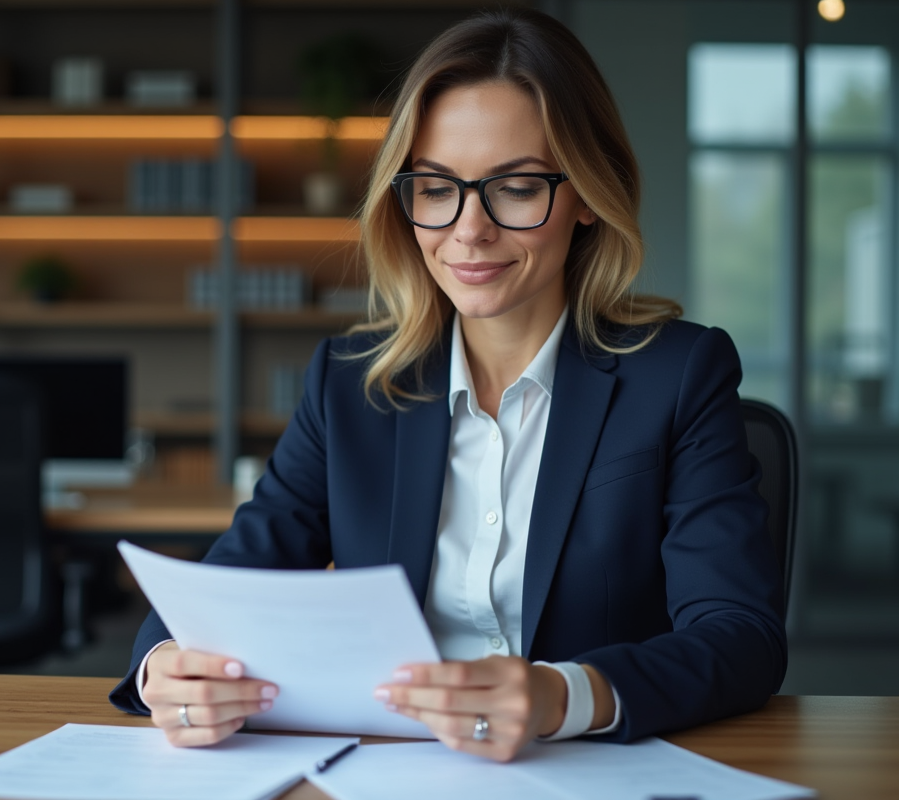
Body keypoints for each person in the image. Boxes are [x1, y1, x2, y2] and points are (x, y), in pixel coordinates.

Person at [109, 6, 786, 762]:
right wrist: (163, 665)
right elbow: (232, 581)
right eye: (436, 188)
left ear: (589, 196)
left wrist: (564, 694)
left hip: (588, 772)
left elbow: (739, 636)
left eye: (517, 187)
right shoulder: (351, 385)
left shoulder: (677, 375)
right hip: (386, 770)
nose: (468, 230)